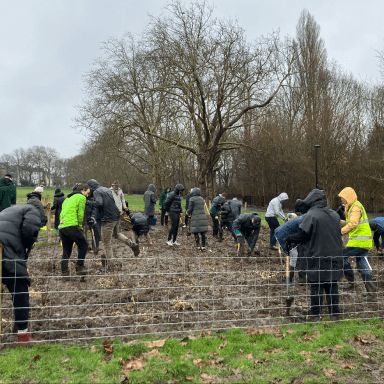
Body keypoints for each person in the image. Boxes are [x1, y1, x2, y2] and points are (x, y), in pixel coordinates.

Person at [284, 189, 343, 321]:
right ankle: (334, 314)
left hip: (317, 255)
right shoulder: (334, 215)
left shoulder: (311, 215)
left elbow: (304, 235)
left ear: (311, 200)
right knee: (332, 285)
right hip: (334, 255)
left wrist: (290, 238)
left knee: (317, 285)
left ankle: (316, 313)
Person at [0, 190, 46, 344]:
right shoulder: (33, 210)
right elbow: (30, 231)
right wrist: (27, 249)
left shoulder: (10, 209)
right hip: (7, 253)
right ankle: (23, 335)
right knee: (20, 289)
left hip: (3, 248)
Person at [87, 179, 139, 271]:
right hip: (116, 216)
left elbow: (99, 203)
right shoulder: (106, 189)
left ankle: (110, 266)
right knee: (116, 234)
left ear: (91, 187)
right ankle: (133, 245)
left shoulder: (96, 192)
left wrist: (88, 202)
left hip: (108, 219)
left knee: (106, 243)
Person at [338, 187, 377, 297]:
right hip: (363, 242)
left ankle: (351, 282)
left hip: (359, 242)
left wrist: (340, 232)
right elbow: (350, 223)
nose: (342, 200)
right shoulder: (354, 206)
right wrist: (338, 221)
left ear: (348, 197)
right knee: (361, 266)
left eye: (343, 198)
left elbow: (353, 224)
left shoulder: (355, 207)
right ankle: (371, 290)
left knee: (341, 257)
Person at [59, 184, 91, 278]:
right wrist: (80, 226)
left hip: (62, 226)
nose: (87, 195)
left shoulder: (67, 199)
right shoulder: (81, 197)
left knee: (67, 249)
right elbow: (80, 213)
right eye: (87, 193)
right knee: (84, 245)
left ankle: (64, 271)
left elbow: (62, 213)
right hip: (72, 225)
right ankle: (80, 267)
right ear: (83, 190)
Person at [274, 216, 307, 286]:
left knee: (297, 256)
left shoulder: (303, 218)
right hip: (283, 236)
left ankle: (300, 278)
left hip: (283, 233)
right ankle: (289, 281)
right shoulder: (303, 221)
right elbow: (302, 235)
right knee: (293, 259)